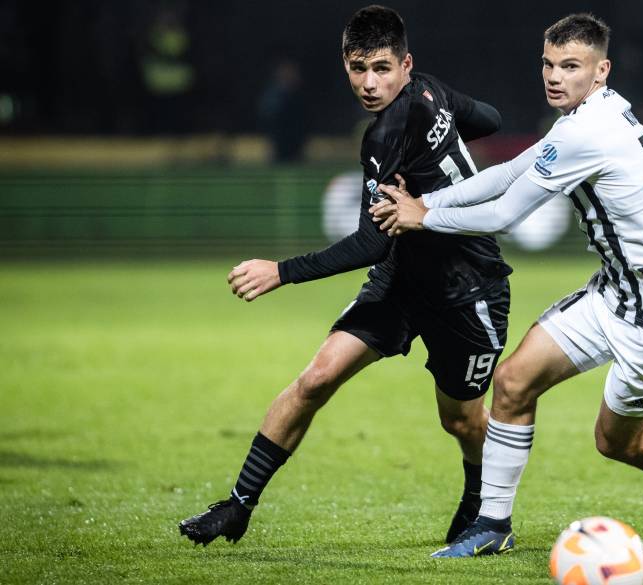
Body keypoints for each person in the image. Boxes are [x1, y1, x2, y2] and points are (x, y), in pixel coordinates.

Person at [371, 13, 643, 558]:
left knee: (616, 443)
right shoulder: (591, 113)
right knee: (513, 382)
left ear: (601, 70)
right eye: (548, 64)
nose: (554, 76)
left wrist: (424, 218)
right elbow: (509, 172)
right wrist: (426, 201)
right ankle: (492, 525)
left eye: (570, 66)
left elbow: (505, 214)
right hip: (616, 293)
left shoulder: (587, 131)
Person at [178, 5, 512, 547]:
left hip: (467, 288)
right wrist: (441, 144)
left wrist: (280, 271)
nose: (369, 83)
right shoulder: (430, 90)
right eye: (359, 69)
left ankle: (481, 505)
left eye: (382, 68)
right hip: (402, 279)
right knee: (316, 379)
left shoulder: (386, 133)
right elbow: (491, 119)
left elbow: (369, 243)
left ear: (405, 64)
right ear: (346, 65)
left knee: (461, 420)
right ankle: (238, 505)